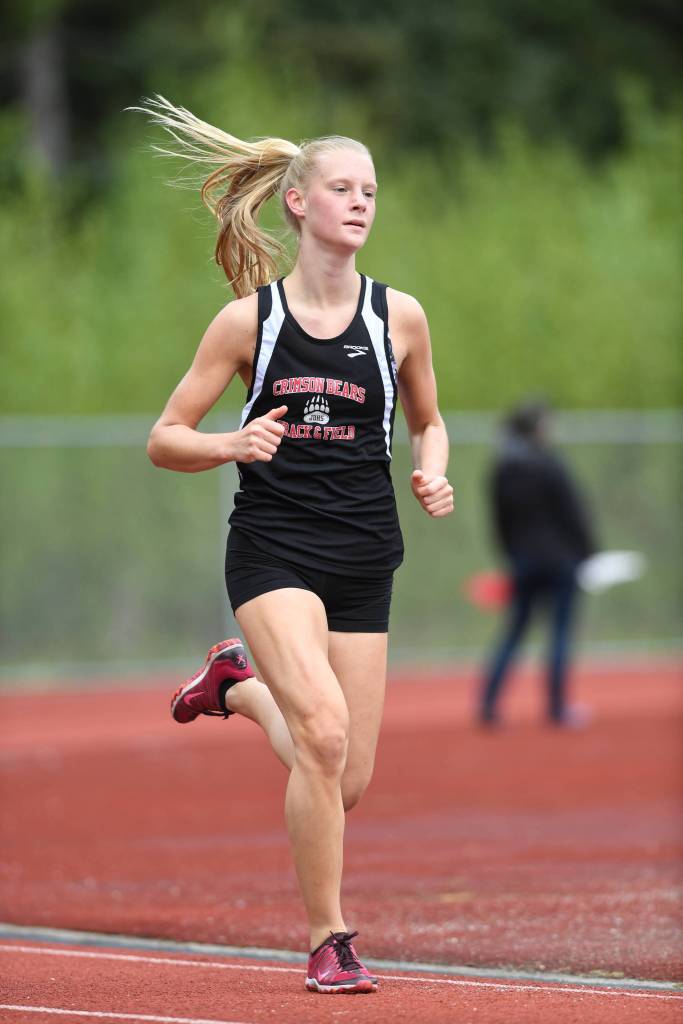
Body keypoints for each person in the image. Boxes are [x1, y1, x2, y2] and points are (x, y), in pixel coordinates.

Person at [131, 95, 454, 994]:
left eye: (371, 191)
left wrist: (432, 469)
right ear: (300, 202)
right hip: (273, 551)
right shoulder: (249, 323)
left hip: (365, 558)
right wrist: (231, 443)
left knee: (342, 779)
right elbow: (165, 436)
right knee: (319, 729)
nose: (360, 202)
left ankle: (234, 685)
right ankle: (329, 938)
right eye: (342, 188)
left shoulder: (401, 319)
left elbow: (430, 423)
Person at [479, 400, 596, 727]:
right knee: (559, 632)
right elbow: (573, 512)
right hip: (560, 560)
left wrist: (511, 556)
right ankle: (558, 709)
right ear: (538, 428)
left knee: (514, 632)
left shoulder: (502, 468)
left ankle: (488, 705)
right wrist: (588, 553)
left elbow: (499, 520)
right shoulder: (549, 464)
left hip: (524, 561)